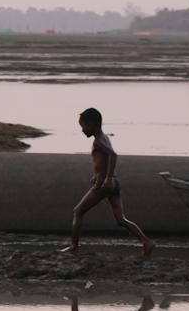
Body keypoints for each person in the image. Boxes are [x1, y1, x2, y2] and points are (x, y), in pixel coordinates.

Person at [64, 107, 156, 256]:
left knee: (78, 212)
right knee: (121, 219)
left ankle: (74, 246)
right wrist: (99, 174)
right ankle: (147, 242)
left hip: (104, 185)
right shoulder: (104, 137)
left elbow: (113, 155)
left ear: (92, 124)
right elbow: (103, 160)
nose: (82, 131)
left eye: (83, 127)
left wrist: (106, 178)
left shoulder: (99, 141)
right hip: (113, 183)